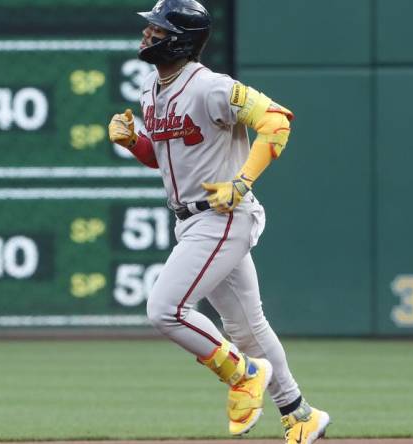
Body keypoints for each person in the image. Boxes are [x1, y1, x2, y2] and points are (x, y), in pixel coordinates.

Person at [107, 0, 331, 442]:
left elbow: (276, 122)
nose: (147, 35)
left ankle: (244, 374)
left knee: (165, 310)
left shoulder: (211, 87)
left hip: (223, 214)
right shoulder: (151, 91)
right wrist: (136, 143)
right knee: (247, 327)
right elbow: (171, 159)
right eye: (149, 29)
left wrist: (242, 182)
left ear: (180, 39)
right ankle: (300, 413)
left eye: (157, 30)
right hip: (191, 219)